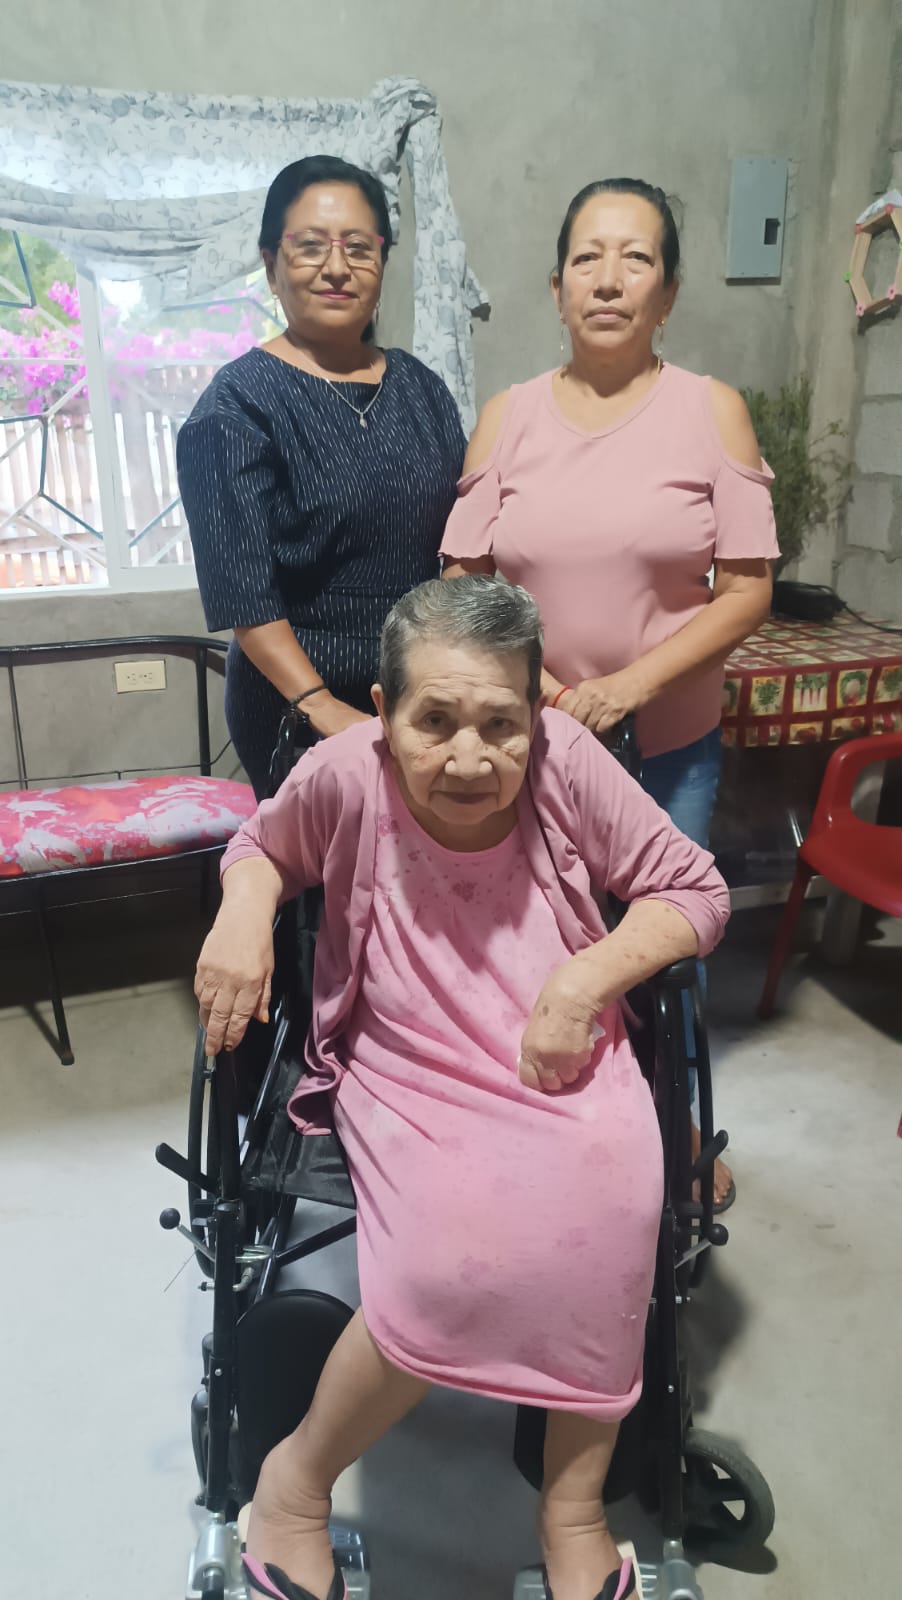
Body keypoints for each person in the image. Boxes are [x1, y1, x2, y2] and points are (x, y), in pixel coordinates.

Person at [196, 576, 730, 1600]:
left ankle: (572, 1508)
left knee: (619, 1206)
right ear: (384, 711)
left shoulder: (570, 764)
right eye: (433, 721)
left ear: (536, 715)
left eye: (499, 724)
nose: (469, 758)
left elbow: (692, 889)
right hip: (407, 1051)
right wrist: (242, 911)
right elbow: (261, 846)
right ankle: (294, 1486)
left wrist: (585, 978)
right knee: (448, 1260)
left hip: (561, 1041)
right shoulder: (344, 772)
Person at [440, 178, 780, 1206]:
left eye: (635, 259)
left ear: (666, 293)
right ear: (555, 287)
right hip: (529, 746)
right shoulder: (507, 418)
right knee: (531, 938)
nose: (608, 278)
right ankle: (550, 1116)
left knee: (659, 941)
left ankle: (671, 1125)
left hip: (666, 747)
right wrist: (541, 687)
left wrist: (628, 686)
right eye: (587, 257)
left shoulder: (710, 411)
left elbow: (748, 588)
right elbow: (463, 577)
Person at [177, 155, 465, 799]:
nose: (337, 267)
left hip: (420, 687)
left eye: (359, 248)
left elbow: (460, 540)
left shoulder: (422, 388)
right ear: (271, 265)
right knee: (328, 861)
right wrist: (321, 705)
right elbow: (243, 594)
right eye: (310, 246)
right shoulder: (236, 404)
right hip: (296, 699)